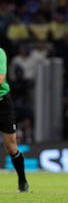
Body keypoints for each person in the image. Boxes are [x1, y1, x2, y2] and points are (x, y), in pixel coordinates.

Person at [0, 47, 29, 192]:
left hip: (2, 104)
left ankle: (22, 181)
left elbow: (0, 79)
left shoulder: (0, 53)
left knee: (11, 147)